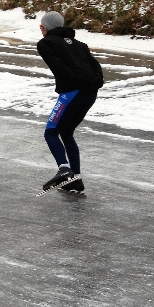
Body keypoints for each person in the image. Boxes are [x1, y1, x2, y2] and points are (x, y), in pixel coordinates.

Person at [36, 11, 104, 194]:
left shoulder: (45, 43)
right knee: (66, 132)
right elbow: (95, 66)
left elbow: (59, 68)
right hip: (90, 93)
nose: (40, 29)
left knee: (51, 132)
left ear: (46, 28)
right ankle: (75, 179)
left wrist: (76, 83)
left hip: (71, 93)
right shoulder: (80, 44)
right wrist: (95, 81)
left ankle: (64, 170)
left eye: (41, 26)